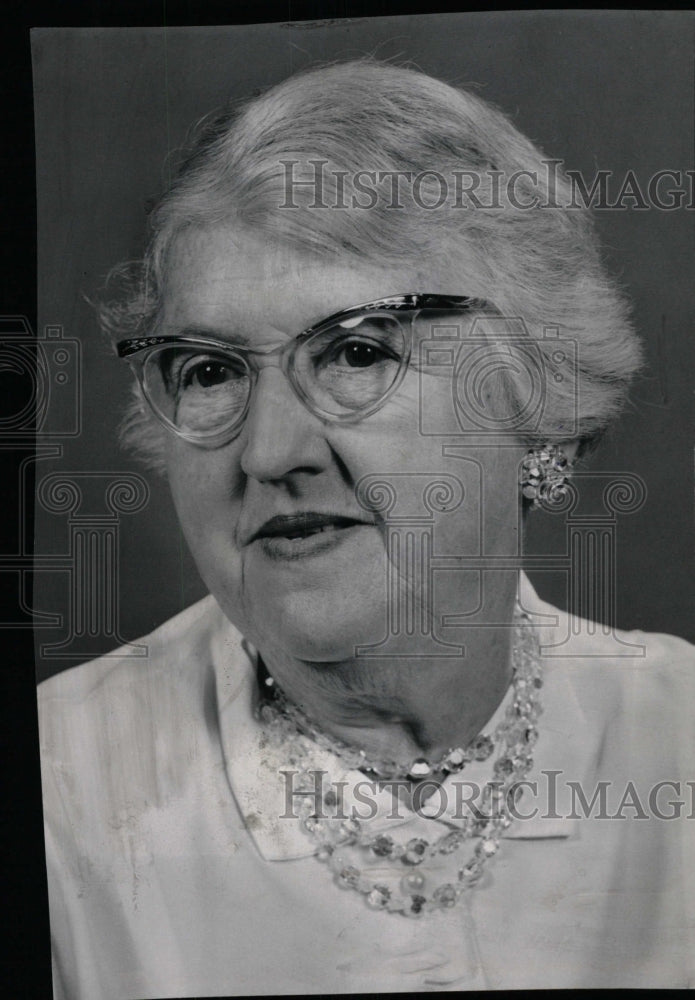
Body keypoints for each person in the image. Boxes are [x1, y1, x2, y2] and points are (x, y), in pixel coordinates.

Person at [37, 59, 695, 997]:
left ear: (537, 408)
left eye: (355, 351)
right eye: (210, 370)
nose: (269, 452)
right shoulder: (63, 792)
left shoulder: (678, 743)